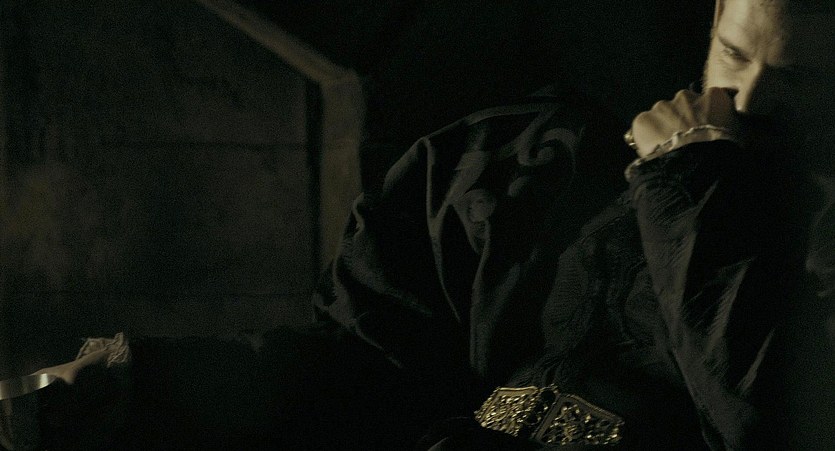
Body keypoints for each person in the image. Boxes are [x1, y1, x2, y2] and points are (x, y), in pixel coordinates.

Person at [24, 0, 834, 449]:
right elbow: (367, 367)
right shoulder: (544, 169)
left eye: (797, 78)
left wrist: (688, 186)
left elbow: (765, 423)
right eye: (734, 54)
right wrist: (147, 384)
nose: (750, 97)